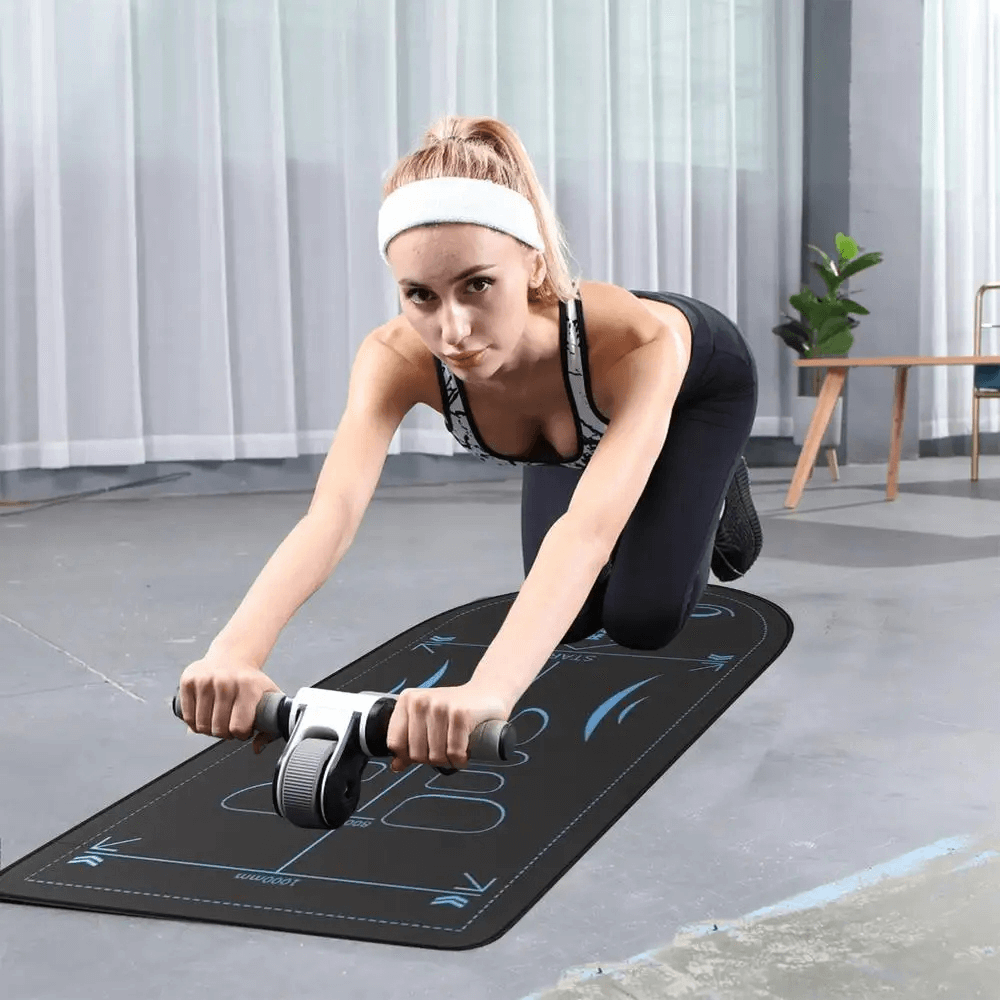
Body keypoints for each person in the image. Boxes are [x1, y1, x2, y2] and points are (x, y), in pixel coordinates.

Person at [179, 115, 761, 775]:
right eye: (420, 295)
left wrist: (491, 689)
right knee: (562, 622)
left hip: (694, 390)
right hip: (572, 423)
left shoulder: (635, 342)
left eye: (478, 285)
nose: (452, 330)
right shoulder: (393, 357)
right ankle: (629, 464)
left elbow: (586, 532)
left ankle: (710, 480)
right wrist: (233, 652)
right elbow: (331, 515)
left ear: (533, 264)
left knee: (643, 619)